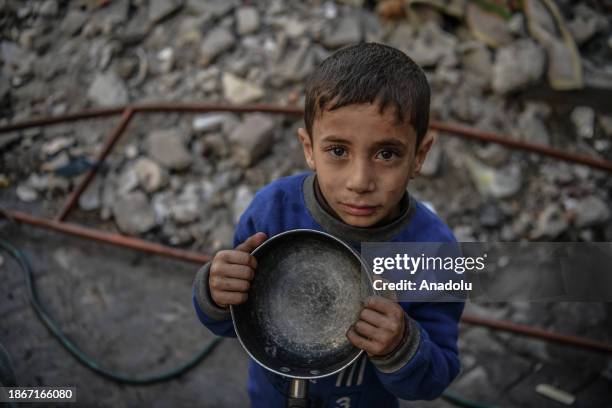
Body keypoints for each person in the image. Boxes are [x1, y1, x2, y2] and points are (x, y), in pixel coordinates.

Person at [193, 42, 464, 407]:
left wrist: (402, 345)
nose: (360, 180)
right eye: (338, 151)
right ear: (309, 148)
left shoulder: (436, 250)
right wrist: (215, 290)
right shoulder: (272, 211)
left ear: (419, 155)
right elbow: (231, 324)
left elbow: (436, 378)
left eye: (387, 153)